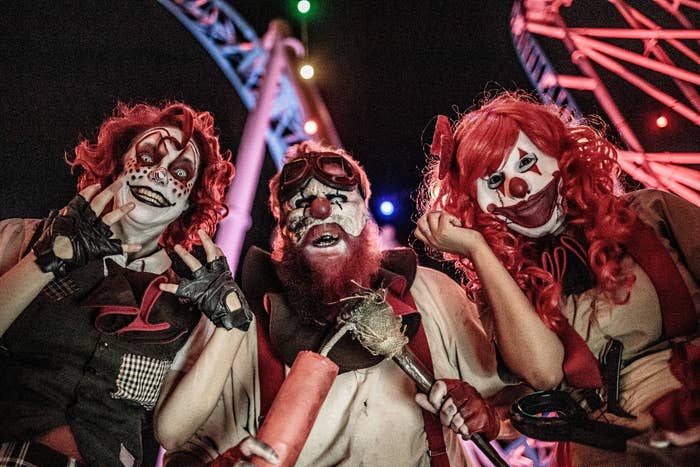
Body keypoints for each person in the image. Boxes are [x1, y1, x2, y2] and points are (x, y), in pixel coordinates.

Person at [160, 141, 512, 466]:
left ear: (364, 215)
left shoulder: (433, 295)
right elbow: (184, 451)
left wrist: (489, 417)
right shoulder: (245, 327)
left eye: (339, 198)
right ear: (284, 229)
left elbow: (519, 408)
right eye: (300, 202)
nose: (321, 208)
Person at [416, 92, 699, 464]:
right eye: (495, 179)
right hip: (610, 450)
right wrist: (479, 250)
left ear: (562, 154)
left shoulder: (652, 213)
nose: (517, 188)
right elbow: (543, 375)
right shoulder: (501, 293)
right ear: (473, 204)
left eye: (528, 161)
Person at [0, 102, 254, 467]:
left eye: (181, 171)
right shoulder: (23, 237)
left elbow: (172, 433)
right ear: (116, 166)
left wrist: (233, 328)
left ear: (189, 202)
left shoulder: (189, 302)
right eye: (148, 158)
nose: (160, 175)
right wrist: (44, 261)